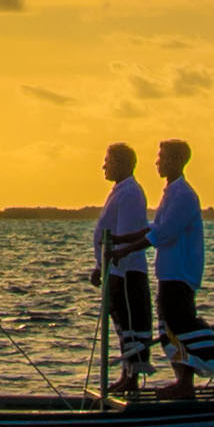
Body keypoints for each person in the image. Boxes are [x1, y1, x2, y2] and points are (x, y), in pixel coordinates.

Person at [87, 138, 155, 392]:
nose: (104, 167)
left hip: (126, 271)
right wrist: (99, 267)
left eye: (108, 162)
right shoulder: (119, 191)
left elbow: (126, 233)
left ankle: (132, 377)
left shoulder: (130, 193)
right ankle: (127, 373)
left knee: (131, 324)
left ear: (123, 163)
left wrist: (112, 261)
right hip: (113, 269)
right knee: (121, 324)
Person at [146, 138, 211, 393]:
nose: (157, 163)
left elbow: (165, 232)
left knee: (179, 324)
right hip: (167, 272)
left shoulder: (184, 194)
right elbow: (155, 228)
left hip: (180, 273)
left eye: (161, 157)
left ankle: (185, 382)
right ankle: (181, 379)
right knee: (167, 326)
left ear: (175, 161)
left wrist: (130, 245)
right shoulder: (170, 193)